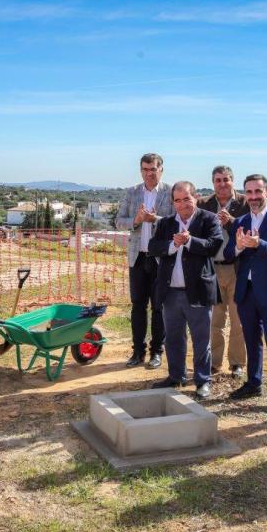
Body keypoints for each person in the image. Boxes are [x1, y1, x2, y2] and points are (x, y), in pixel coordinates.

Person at [224, 174, 267, 414]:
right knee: (251, 341)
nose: (253, 197)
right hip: (246, 292)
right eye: (249, 192)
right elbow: (229, 254)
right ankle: (253, 383)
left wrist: (258, 244)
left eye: (258, 192)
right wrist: (239, 246)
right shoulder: (239, 221)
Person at [148, 182, 223, 398]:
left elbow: (214, 245)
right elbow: (154, 247)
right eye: (177, 200)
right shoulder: (167, 223)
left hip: (198, 291)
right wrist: (173, 246)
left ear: (195, 197)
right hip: (170, 292)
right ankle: (176, 376)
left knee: (201, 339)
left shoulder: (209, 219)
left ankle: (202, 380)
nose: (182, 204)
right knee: (173, 337)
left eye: (186, 199)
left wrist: (190, 241)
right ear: (173, 202)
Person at [115, 153, 174, 370]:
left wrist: (154, 220)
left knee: (158, 307)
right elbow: (118, 222)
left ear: (161, 170)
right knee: (138, 306)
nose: (149, 173)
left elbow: (176, 222)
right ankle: (137, 351)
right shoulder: (131, 193)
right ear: (141, 170)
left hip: (160, 259)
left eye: (153, 169)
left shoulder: (170, 192)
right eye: (145, 169)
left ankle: (156, 352)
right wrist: (137, 220)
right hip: (138, 258)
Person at [197, 165, 248, 378]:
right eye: (218, 180)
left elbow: (252, 229)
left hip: (237, 268)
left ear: (233, 181)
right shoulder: (204, 204)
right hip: (212, 268)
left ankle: (236, 363)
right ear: (213, 183)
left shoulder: (245, 203)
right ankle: (213, 362)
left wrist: (231, 223)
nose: (222, 184)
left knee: (238, 319)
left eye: (226, 179)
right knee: (214, 320)